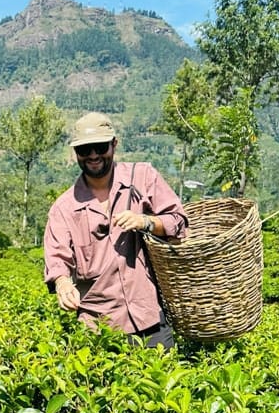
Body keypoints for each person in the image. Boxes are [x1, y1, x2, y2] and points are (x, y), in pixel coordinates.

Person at [44, 112, 187, 348]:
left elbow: (178, 222)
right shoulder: (64, 208)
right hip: (98, 328)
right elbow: (57, 257)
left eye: (100, 147)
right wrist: (62, 283)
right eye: (84, 150)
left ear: (114, 144)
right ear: (76, 153)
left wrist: (146, 221)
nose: (93, 156)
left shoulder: (143, 178)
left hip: (150, 318)